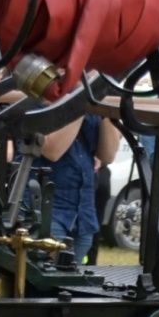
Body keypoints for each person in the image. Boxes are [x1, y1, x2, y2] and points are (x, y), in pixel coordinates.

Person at [37, 107, 122, 264]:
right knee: (43, 280)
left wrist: (106, 111)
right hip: (47, 210)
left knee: (70, 281)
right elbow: (52, 151)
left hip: (82, 214)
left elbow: (108, 155)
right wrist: (80, 103)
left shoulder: (93, 109)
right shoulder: (38, 104)